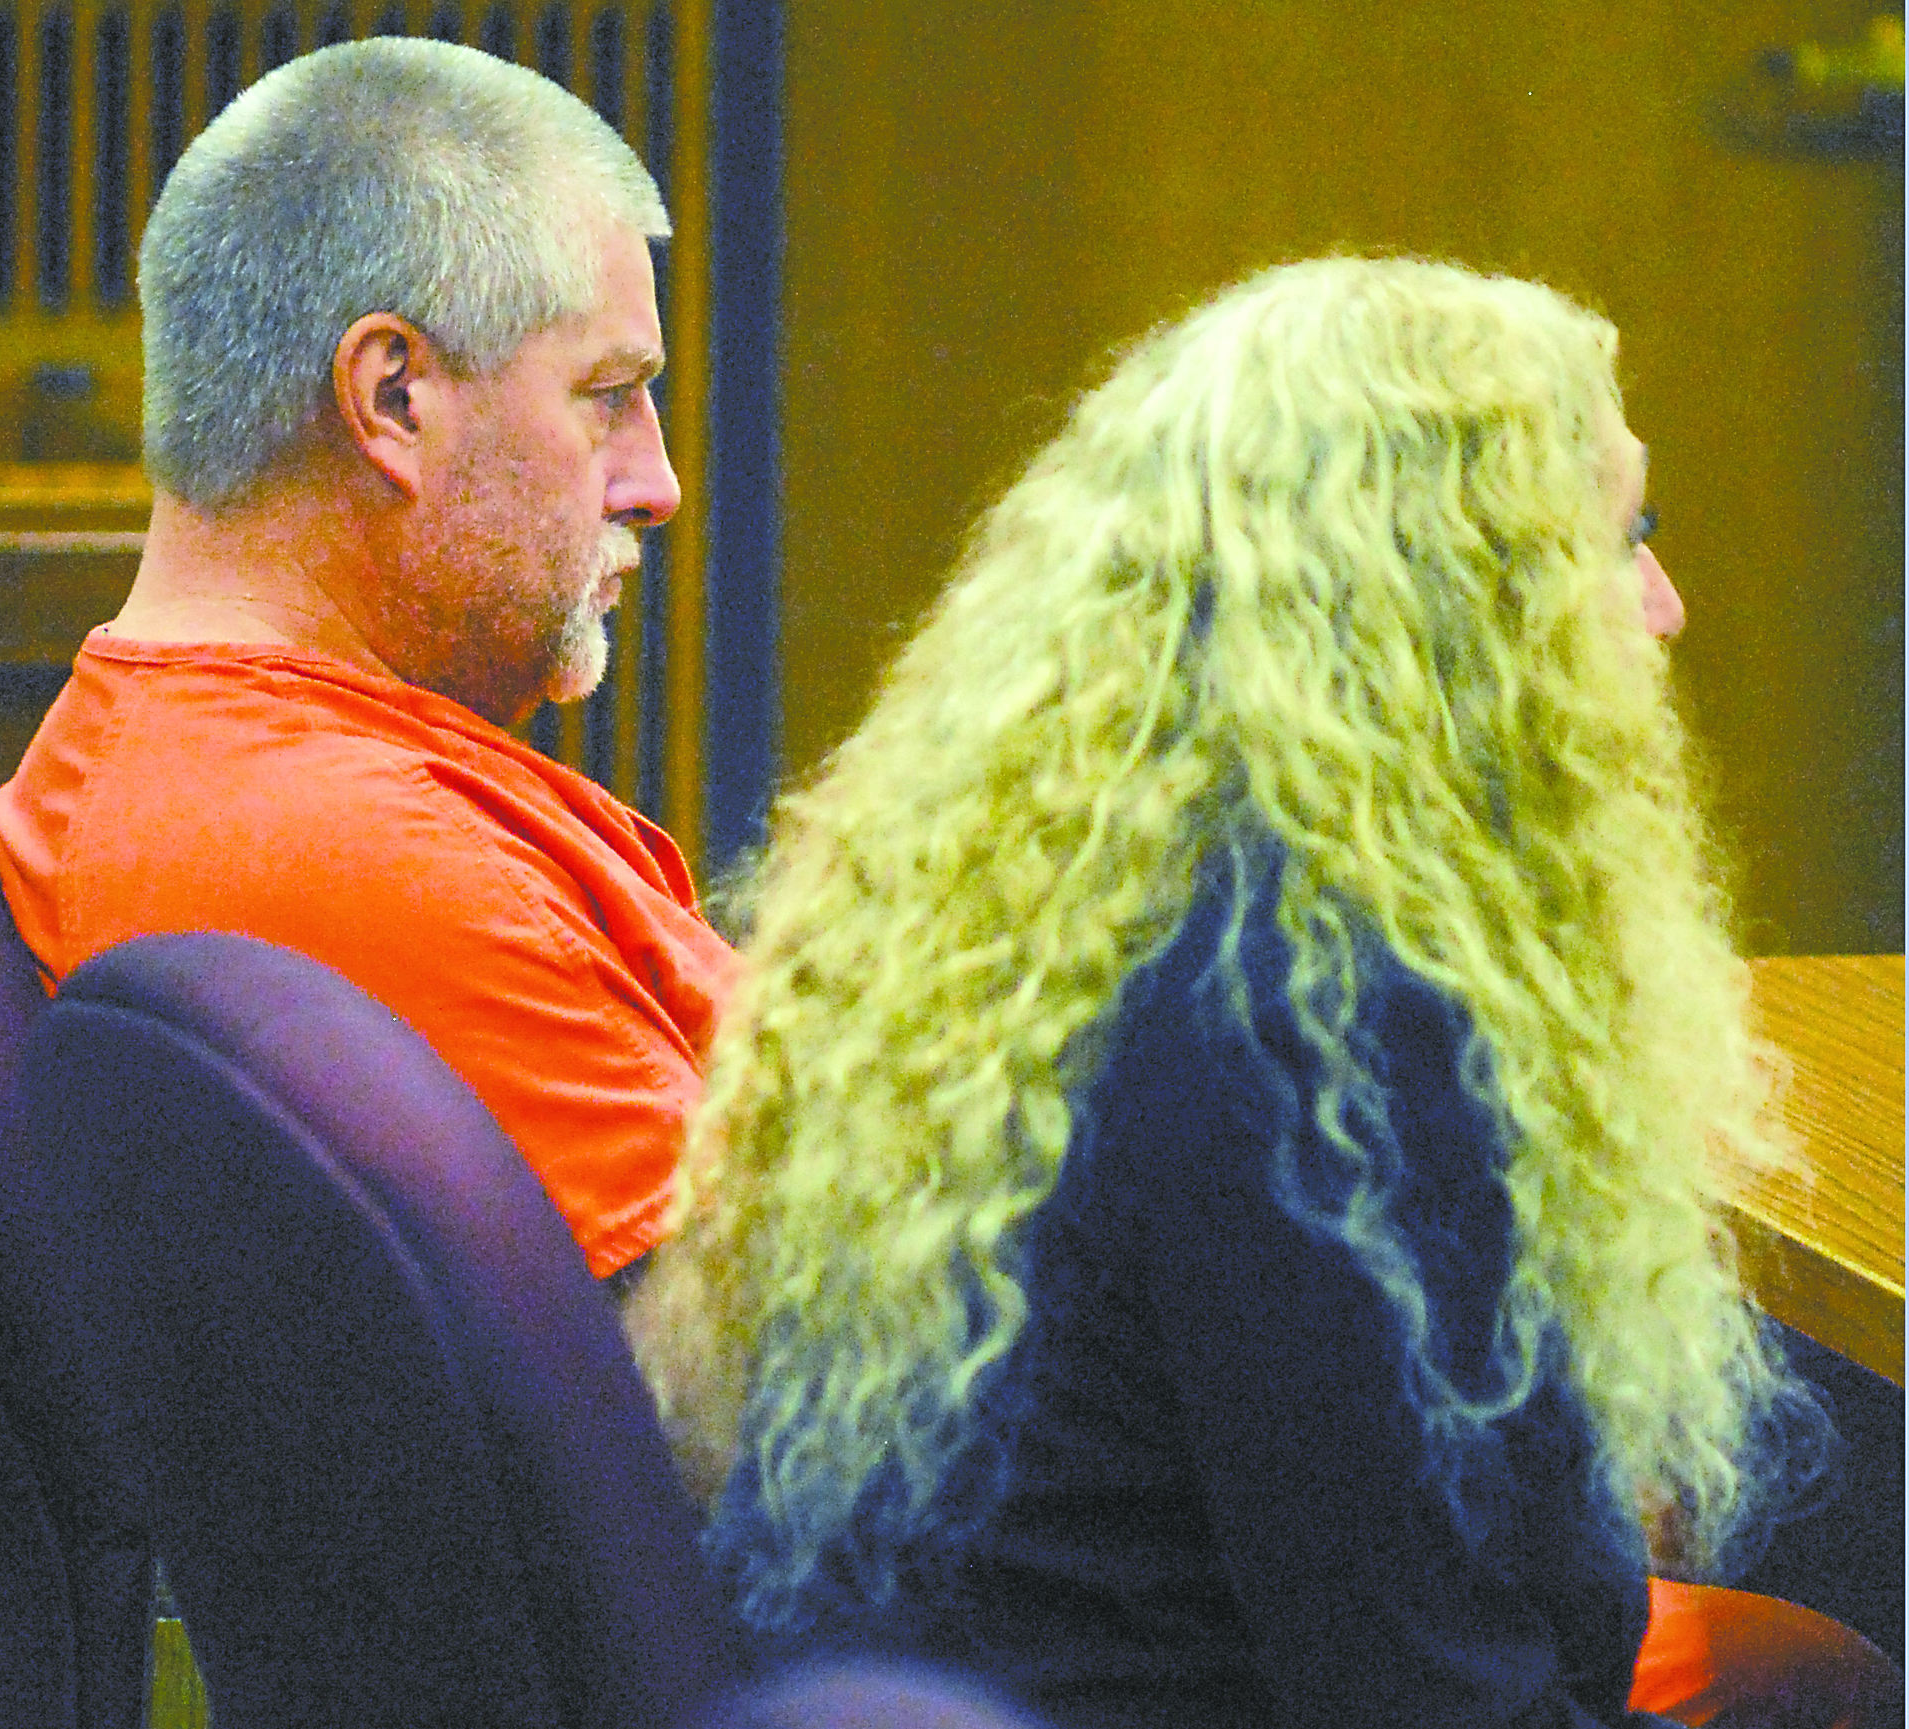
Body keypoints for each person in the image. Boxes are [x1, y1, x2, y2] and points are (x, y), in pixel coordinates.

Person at [628, 258, 1902, 1727]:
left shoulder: (1032, 895)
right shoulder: (1318, 1005)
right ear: (1457, 610)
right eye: (1624, 537)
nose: (1663, 609)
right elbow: (1426, 1691)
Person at [0, 37, 736, 1283]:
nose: (654, 485)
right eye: (607, 394)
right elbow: (816, 1410)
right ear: (394, 399)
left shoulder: (252, 762)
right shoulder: (343, 854)